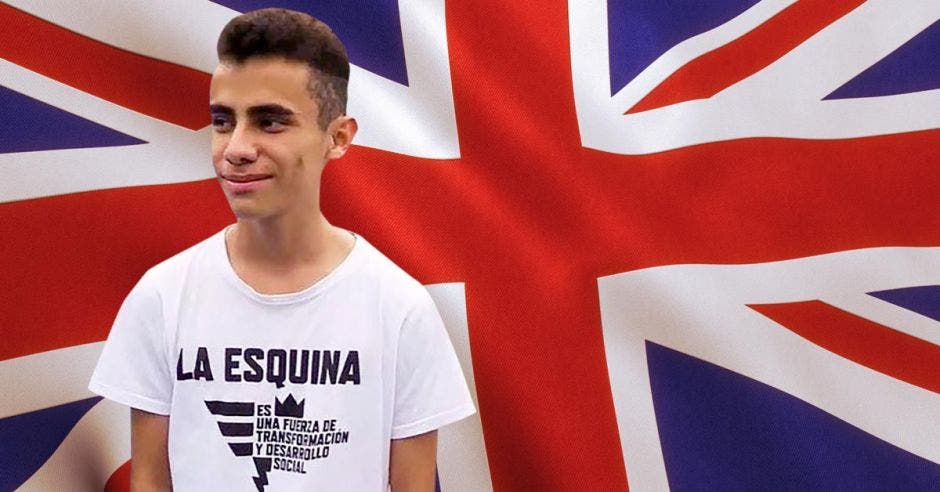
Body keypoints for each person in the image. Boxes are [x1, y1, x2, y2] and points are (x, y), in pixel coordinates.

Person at [89, 8, 475, 491]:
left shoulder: (399, 308)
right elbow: (148, 480)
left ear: (338, 138)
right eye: (223, 121)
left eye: (270, 122)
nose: (237, 147)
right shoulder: (162, 296)